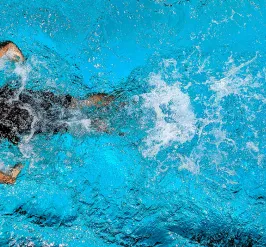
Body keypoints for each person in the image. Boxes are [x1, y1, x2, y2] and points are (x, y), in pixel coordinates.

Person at [0, 41, 114, 184]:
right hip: (24, 100)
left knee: (78, 123)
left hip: (27, 125)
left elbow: (8, 179)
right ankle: (123, 100)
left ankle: (119, 129)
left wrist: (17, 167)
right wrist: (18, 60)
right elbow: (8, 46)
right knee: (79, 103)